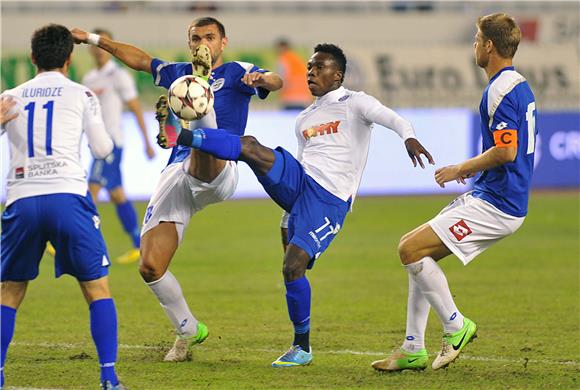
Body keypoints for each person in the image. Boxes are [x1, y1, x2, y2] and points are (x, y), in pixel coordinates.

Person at [168, 43, 434, 367]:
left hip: (329, 199)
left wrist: (408, 137)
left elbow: (393, 119)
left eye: (318, 67)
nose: (310, 73)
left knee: (292, 267)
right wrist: (289, 210)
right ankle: (184, 137)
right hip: (301, 181)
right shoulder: (305, 117)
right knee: (250, 146)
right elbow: (305, 158)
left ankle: (302, 347)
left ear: (337, 74)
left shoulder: (356, 102)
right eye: (309, 67)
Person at [70, 17, 283, 362]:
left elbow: (277, 80)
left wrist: (262, 78)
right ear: (189, 44)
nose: (203, 42)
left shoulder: (237, 71)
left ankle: (187, 125)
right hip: (177, 174)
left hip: (220, 167)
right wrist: (94, 39)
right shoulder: (177, 72)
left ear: (223, 43)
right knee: (149, 266)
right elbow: (141, 60)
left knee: (197, 104)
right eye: (196, 38)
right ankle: (187, 328)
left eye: (209, 37)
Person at [371, 13, 537, 372]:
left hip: (499, 204)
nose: (474, 46)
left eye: (477, 39)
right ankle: (413, 347)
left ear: (489, 46)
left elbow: (506, 151)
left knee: (409, 249)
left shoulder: (499, 90)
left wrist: (460, 168)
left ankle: (456, 326)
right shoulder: (519, 85)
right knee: (418, 253)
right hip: (493, 195)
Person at [0, 24, 124, 389]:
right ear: (70, 59)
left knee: (9, 291)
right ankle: (108, 377)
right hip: (68, 197)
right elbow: (103, 149)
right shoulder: (83, 94)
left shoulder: (11, 95)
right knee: (96, 288)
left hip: (22, 198)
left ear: (33, 58)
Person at [82, 28, 156, 265]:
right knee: (117, 194)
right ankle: (138, 244)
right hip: (97, 144)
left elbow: (135, 108)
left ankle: (79, 244)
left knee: (91, 190)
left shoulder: (120, 76)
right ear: (92, 48)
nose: (99, 50)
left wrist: (146, 141)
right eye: (96, 45)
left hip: (112, 143)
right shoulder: (89, 79)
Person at [275, 38, 311, 110]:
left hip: (290, 99)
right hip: (304, 98)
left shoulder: (284, 59)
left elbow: (282, 79)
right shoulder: (296, 58)